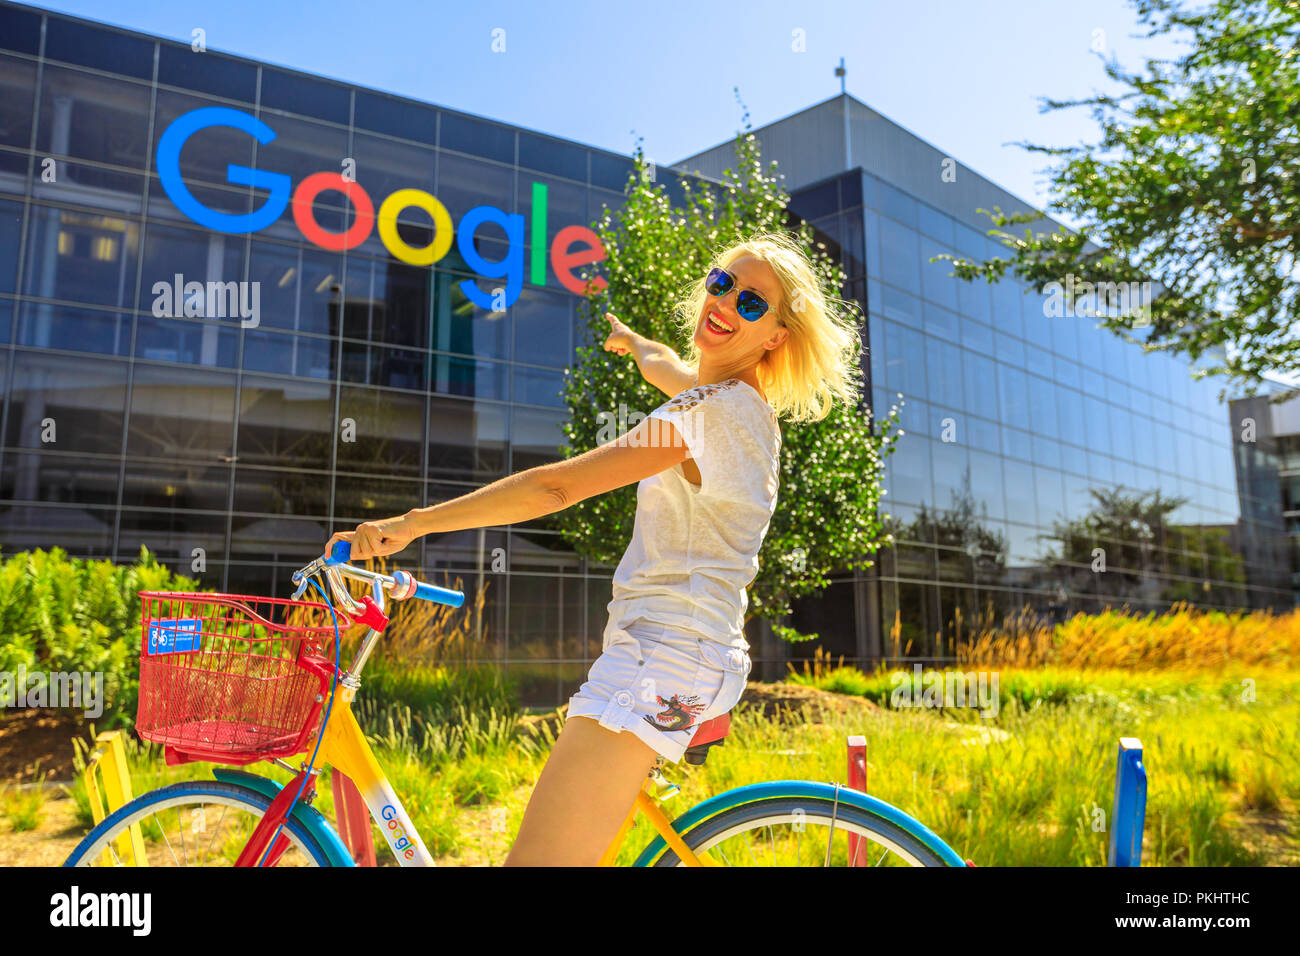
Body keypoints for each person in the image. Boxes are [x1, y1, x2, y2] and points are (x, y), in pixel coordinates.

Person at [327, 231, 864, 865]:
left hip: (663, 658)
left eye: (752, 303)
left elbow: (555, 487)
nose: (725, 303)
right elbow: (671, 369)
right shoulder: (745, 407)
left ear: (775, 336)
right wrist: (639, 346)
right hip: (696, 652)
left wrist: (415, 523)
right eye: (721, 283)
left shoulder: (706, 415)